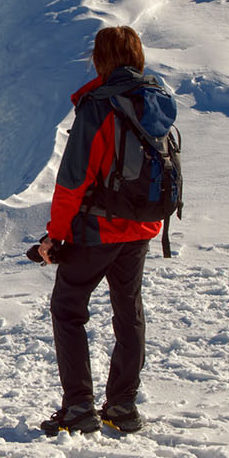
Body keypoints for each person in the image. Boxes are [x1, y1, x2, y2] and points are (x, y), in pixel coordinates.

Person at [37, 25, 177, 436]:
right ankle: (123, 406)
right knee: (128, 311)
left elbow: (73, 180)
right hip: (142, 228)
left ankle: (79, 407)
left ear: (100, 59)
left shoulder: (99, 106)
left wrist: (55, 236)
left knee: (67, 309)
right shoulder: (155, 101)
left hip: (98, 229)